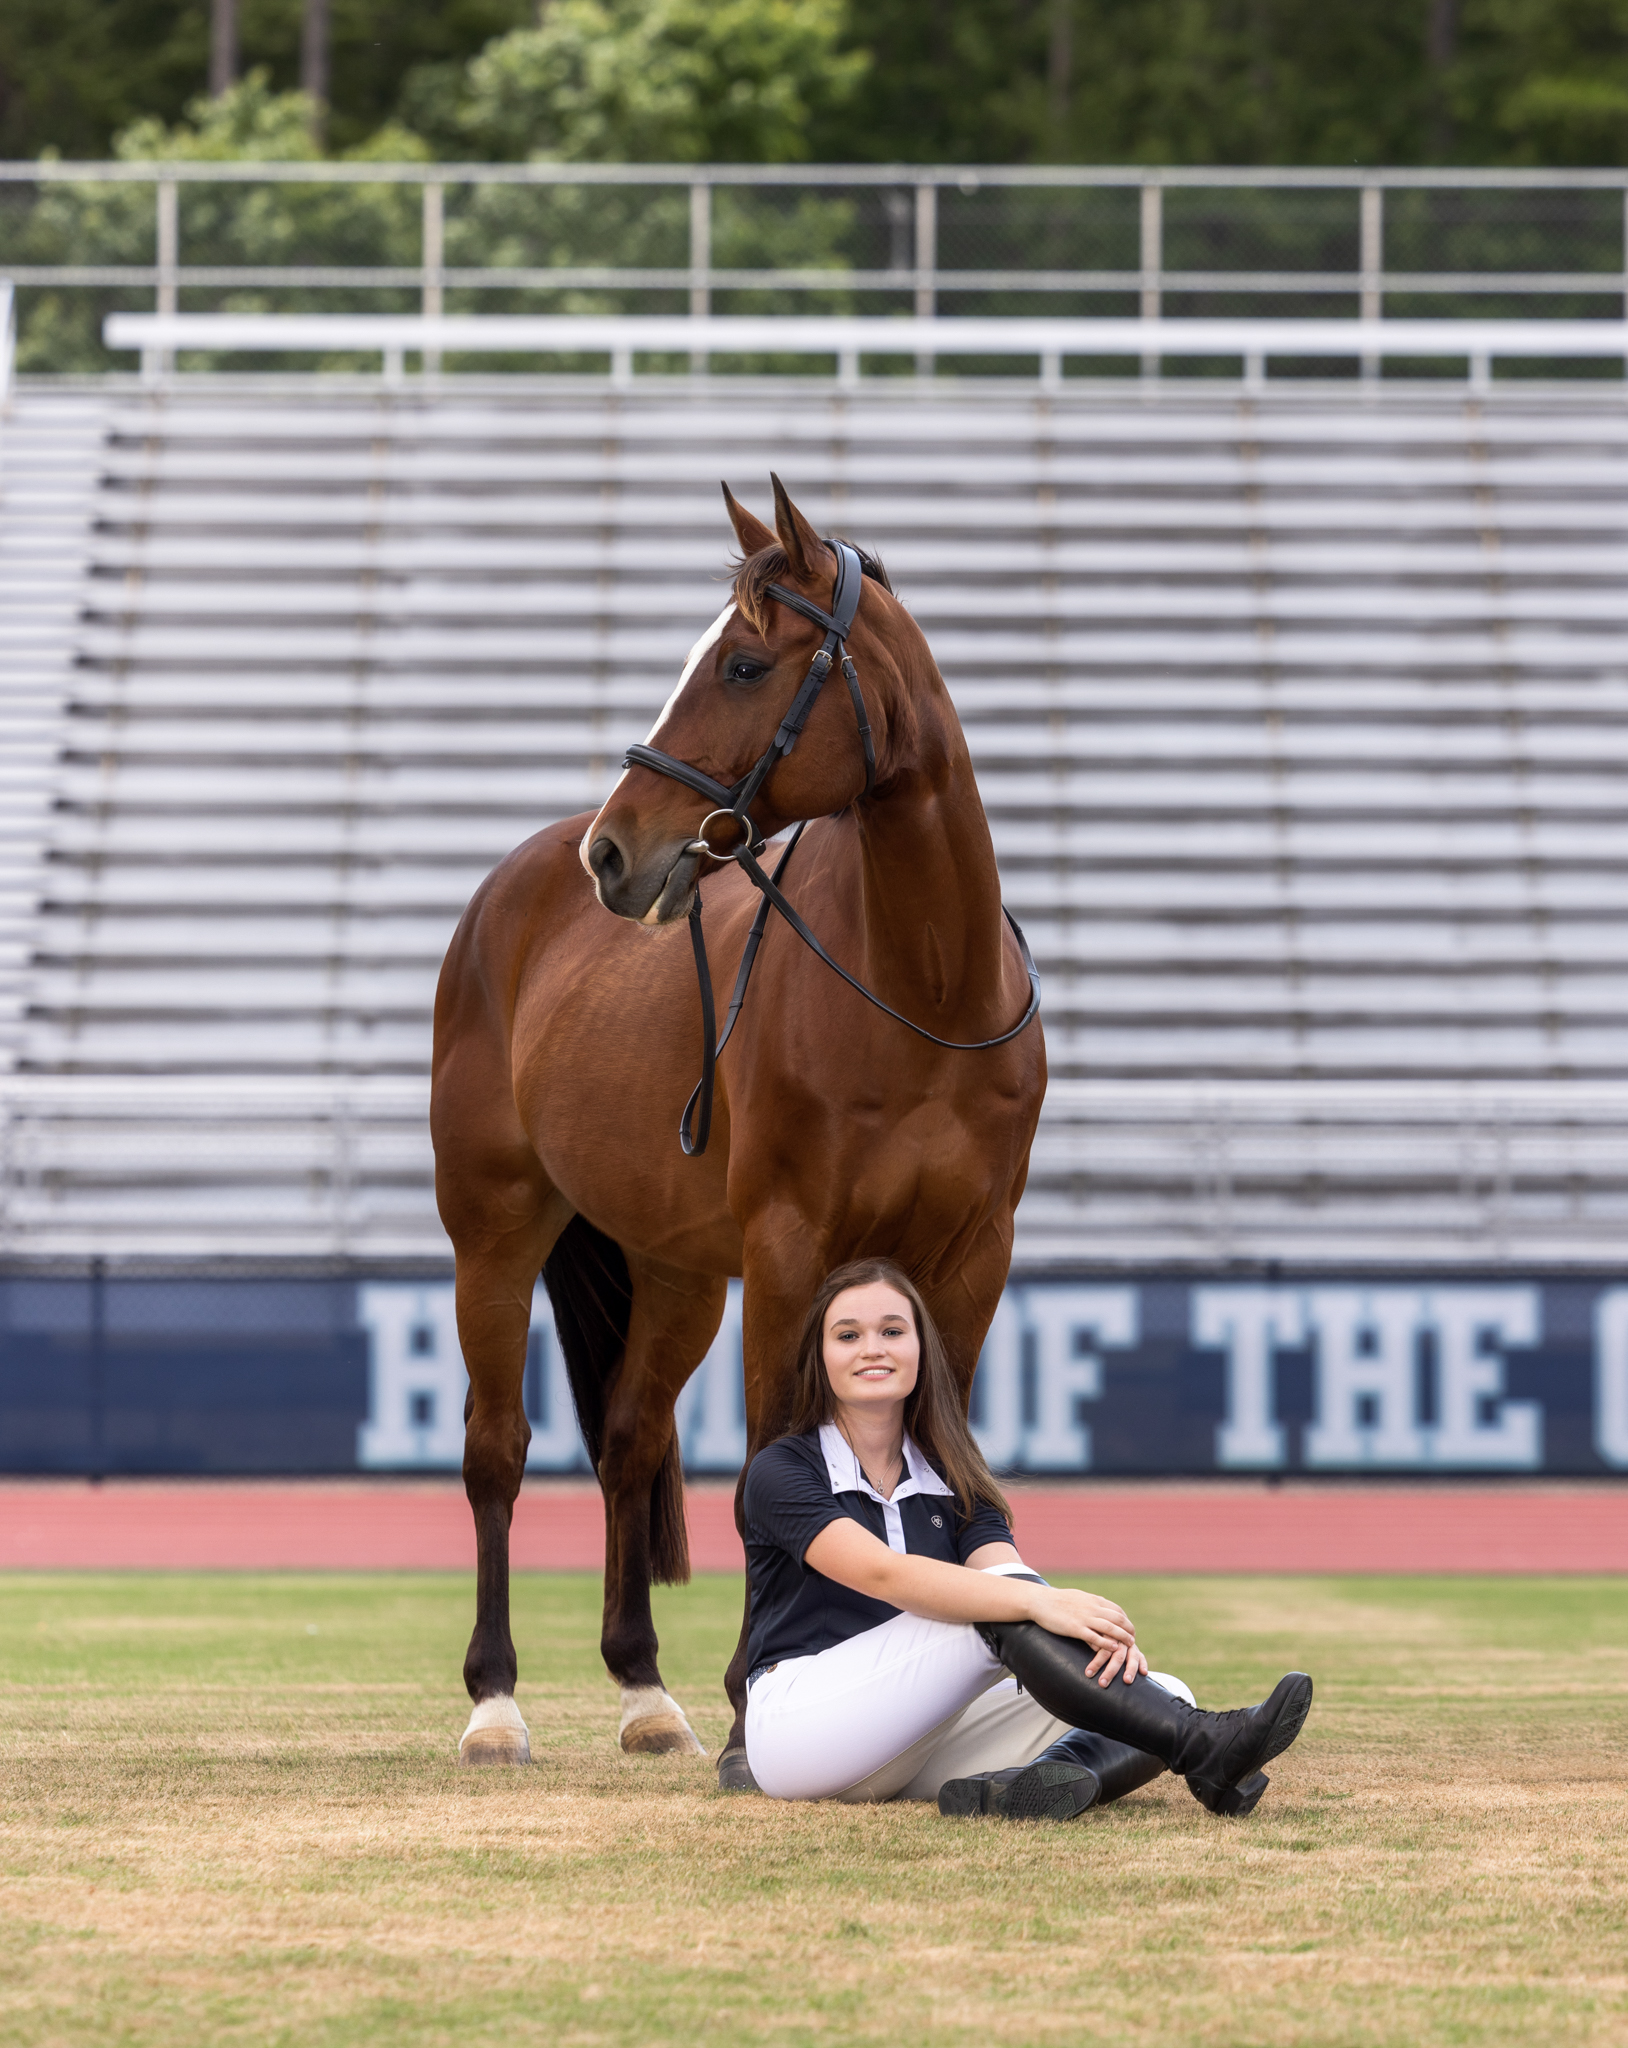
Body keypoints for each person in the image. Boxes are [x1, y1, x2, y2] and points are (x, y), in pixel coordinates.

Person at [741, 1257, 1313, 1818]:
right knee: (1000, 1606)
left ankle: (1010, 1792)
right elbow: (883, 1573)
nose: (872, 1347)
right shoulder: (783, 1469)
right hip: (801, 1730)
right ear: (820, 1356)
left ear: (921, 1351)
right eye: (848, 1335)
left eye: (893, 1331)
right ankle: (1202, 1747)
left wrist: (1094, 1642)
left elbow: (1006, 1572)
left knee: (1164, 1688)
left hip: (912, 1740)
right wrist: (1043, 1601)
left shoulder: (953, 1471)